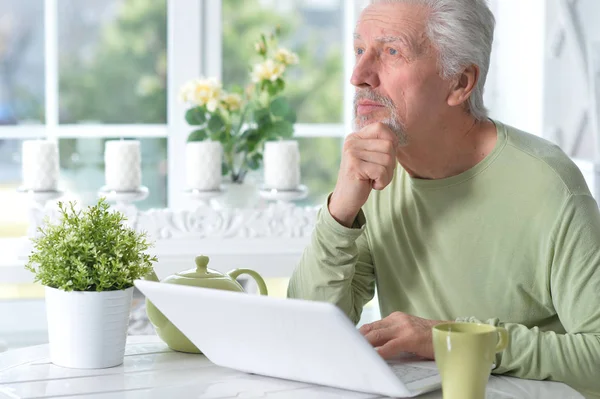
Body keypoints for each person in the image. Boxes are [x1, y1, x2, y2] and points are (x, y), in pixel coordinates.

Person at [287, 0, 600, 397]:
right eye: (359, 50)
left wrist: (454, 339)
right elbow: (308, 335)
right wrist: (341, 212)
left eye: (392, 51)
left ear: (460, 83)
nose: (359, 76)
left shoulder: (549, 186)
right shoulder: (373, 174)